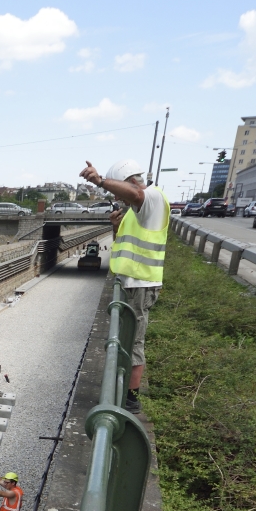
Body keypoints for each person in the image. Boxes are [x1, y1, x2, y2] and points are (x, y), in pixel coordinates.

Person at [78, 158, 168, 413]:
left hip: (142, 283)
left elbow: (135, 194)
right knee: (124, 339)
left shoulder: (152, 197)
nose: (121, 201)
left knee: (134, 342)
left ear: (128, 182)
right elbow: (124, 246)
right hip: (131, 282)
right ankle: (123, 389)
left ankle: (130, 399)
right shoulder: (136, 212)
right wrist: (116, 228)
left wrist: (101, 182)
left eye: (119, 193)